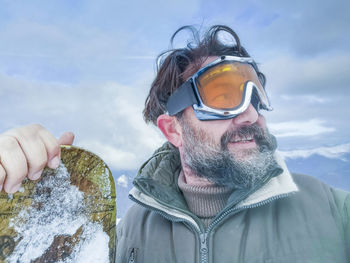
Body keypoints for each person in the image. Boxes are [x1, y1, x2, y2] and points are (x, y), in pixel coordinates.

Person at [0, 25, 349, 262]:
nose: (249, 115)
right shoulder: (124, 238)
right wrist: (20, 195)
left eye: (256, 95)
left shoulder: (334, 213)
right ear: (173, 130)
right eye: (223, 97)